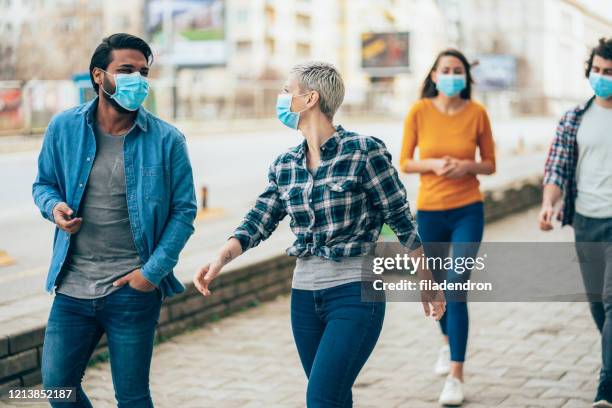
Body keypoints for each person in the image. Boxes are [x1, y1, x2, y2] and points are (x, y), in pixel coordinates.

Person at [193, 61, 445, 408]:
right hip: (304, 298)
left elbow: (400, 217)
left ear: (310, 98)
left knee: (321, 398)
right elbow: (259, 219)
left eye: (286, 91)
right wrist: (220, 258)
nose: (281, 98)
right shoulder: (286, 165)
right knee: (334, 396)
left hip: (355, 292)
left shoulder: (364, 152)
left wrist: (427, 279)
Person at [32, 33, 197, 408]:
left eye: (143, 72)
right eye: (126, 70)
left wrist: (150, 274)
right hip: (72, 287)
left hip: (132, 290)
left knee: (133, 397)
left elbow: (184, 212)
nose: (137, 79)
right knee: (57, 388)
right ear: (98, 76)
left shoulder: (168, 140)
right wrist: (54, 206)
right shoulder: (64, 128)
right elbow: (43, 184)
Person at [399, 49, 496, 406]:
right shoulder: (419, 111)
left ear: (465, 77)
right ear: (435, 76)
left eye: (458, 70)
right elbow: (406, 161)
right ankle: (446, 342)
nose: (452, 75)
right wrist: (435, 163)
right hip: (430, 212)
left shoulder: (478, 113)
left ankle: (456, 375)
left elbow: (489, 164)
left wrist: (466, 167)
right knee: (437, 287)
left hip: (468, 211)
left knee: (456, 287)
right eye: (446, 70)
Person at [540, 37, 612, 408]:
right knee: (598, 305)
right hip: (586, 221)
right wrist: (548, 204)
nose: (602, 77)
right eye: (597, 70)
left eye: (610, 73)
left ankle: (607, 388)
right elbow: (557, 169)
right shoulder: (574, 118)